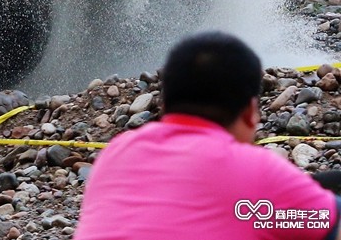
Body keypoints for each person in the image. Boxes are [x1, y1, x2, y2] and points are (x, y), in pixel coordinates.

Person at [74, 31, 341, 239]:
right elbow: (329, 224)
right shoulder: (253, 169)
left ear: (164, 105)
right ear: (250, 113)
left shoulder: (117, 153)